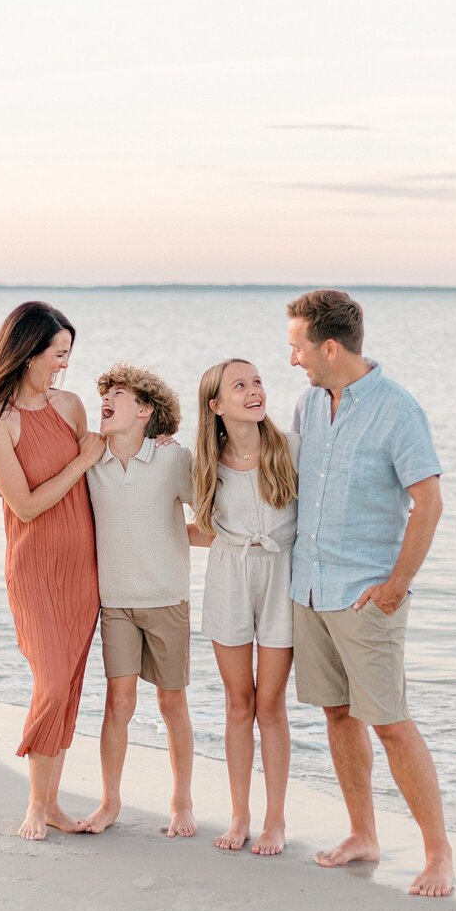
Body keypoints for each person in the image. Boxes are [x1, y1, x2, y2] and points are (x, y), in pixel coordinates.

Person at [287, 289, 453, 897]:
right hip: (309, 587)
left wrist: (395, 587)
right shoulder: (308, 404)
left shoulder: (397, 409)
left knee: (390, 723)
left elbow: (428, 504)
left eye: (298, 347)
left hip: (366, 595)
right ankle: (363, 833)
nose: (293, 358)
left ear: (330, 347)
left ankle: (439, 855)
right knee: (336, 713)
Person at [0, 301, 104, 841]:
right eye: (56, 354)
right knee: (49, 681)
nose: (63, 366)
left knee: (68, 684)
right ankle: (35, 801)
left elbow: (103, 475)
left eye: (68, 355)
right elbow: (26, 506)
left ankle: (50, 804)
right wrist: (80, 461)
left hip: (83, 564)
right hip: (33, 566)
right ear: (26, 353)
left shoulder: (70, 407)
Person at [77, 364, 197, 839]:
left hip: (167, 598)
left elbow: (209, 517)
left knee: (172, 703)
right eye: (104, 392)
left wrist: (171, 537)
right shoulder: (91, 460)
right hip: (116, 603)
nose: (105, 398)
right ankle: (109, 802)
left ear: (145, 410)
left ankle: (182, 803)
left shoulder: (172, 459)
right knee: (117, 704)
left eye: (119, 393)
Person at [190, 359, 298, 856]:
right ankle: (240, 815)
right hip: (228, 576)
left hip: (283, 577)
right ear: (216, 405)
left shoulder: (291, 450)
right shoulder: (203, 465)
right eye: (240, 386)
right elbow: (203, 531)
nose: (255, 391)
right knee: (238, 703)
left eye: (257, 382)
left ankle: (275, 821)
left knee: (270, 705)